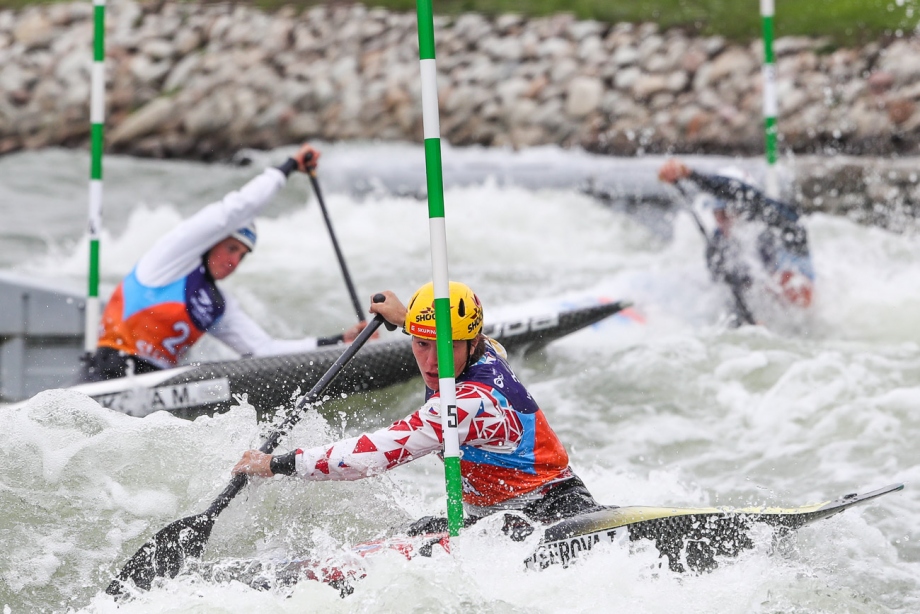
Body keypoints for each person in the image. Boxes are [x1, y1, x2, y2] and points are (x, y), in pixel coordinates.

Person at [233, 281, 604, 534]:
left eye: (443, 347)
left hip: (550, 511)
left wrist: (275, 464)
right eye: (420, 344)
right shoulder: (481, 348)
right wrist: (407, 319)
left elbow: (372, 454)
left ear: (471, 345)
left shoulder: (466, 405)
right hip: (491, 516)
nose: (431, 362)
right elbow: (437, 331)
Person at [80, 143, 370, 382]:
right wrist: (289, 167)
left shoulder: (217, 304)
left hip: (156, 384)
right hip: (106, 374)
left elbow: (263, 349)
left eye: (242, 256)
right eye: (231, 248)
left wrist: (336, 341)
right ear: (212, 242)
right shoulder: (170, 260)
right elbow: (234, 210)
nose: (234, 261)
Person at [658, 158, 815, 309]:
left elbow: (739, 192)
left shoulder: (785, 224)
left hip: (801, 316)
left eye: (729, 212)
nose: (723, 221)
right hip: (762, 318)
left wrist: (691, 175)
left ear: (748, 209)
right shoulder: (718, 246)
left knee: (787, 280)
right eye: (717, 213)